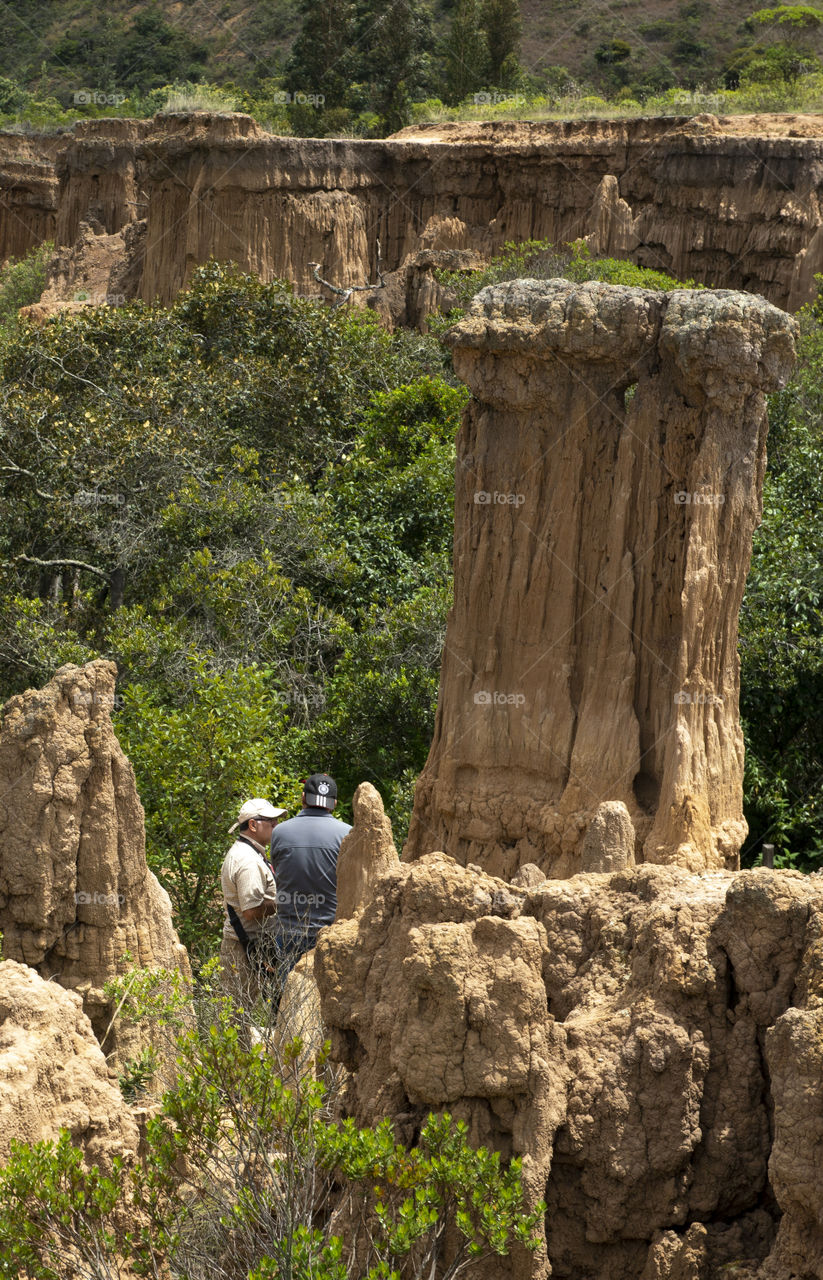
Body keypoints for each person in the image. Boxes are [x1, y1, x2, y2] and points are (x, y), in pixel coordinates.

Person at [268, 773, 351, 988]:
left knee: (287, 1001)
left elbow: (279, 872)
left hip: (288, 931)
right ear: (333, 804)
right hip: (329, 932)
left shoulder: (279, 832)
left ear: (303, 798)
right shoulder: (347, 834)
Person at [220, 798, 286, 1014]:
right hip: (243, 948)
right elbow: (250, 911)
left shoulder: (250, 852)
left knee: (239, 1013)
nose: (276, 826)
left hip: (248, 945)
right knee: (237, 1017)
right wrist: (283, 903)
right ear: (253, 825)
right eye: (271, 821)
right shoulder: (248, 861)